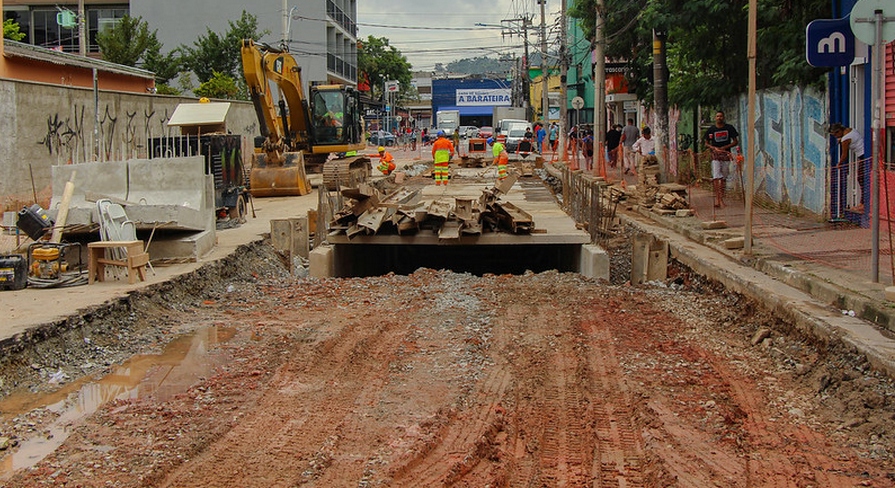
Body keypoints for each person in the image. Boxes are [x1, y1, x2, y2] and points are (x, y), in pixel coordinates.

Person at [703, 110, 739, 208]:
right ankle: (719, 199)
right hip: (715, 155)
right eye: (717, 116)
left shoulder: (729, 128)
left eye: (721, 116)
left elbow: (735, 141)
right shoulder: (711, 130)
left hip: (726, 155)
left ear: (723, 117)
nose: (719, 118)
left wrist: (725, 147)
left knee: (723, 177)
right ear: (715, 118)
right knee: (716, 177)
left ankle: (722, 196)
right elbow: (706, 143)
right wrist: (714, 148)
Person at [829, 122, 866, 212]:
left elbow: (844, 154)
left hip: (863, 156)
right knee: (863, 179)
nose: (836, 137)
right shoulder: (851, 130)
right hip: (864, 154)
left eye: (835, 135)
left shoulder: (845, 139)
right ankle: (863, 202)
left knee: (861, 179)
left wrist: (839, 163)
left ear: (838, 131)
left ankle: (863, 203)